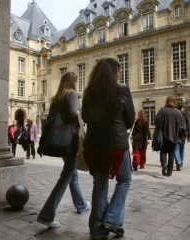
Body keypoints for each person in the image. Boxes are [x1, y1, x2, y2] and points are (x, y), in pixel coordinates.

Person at [82, 58, 135, 240]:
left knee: (100, 185)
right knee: (125, 179)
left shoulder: (89, 91)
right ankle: (112, 218)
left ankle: (97, 230)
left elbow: (85, 117)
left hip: (93, 146)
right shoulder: (121, 89)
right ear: (116, 71)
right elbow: (130, 119)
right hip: (115, 145)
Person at [36, 72, 90, 229]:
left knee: (72, 174)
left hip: (59, 141)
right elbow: (74, 115)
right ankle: (46, 214)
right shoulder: (72, 94)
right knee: (67, 175)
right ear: (73, 82)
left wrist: (41, 142)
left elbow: (50, 122)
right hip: (69, 142)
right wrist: (83, 112)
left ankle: (80, 204)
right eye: (76, 81)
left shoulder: (56, 98)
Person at [153, 96, 186, 177]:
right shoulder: (178, 112)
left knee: (163, 151)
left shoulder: (162, 110)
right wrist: (183, 134)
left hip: (163, 136)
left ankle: (164, 164)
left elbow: (156, 120)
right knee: (171, 153)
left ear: (166, 102)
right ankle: (169, 171)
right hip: (174, 136)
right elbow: (183, 125)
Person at [174, 102, 190, 171]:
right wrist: (188, 136)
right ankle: (181, 162)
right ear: (182, 108)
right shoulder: (185, 115)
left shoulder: (175, 115)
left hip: (175, 134)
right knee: (182, 149)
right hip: (183, 134)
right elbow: (188, 126)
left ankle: (178, 161)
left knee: (176, 149)